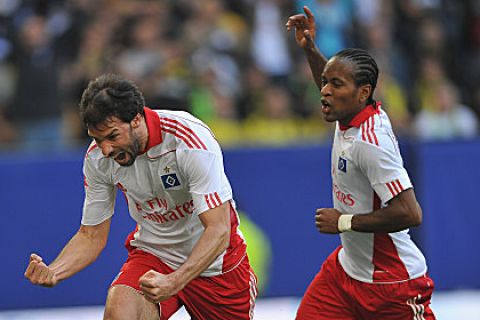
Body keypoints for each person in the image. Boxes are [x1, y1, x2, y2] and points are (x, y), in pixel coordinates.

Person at [24, 74, 257, 320]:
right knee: (120, 311)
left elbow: (218, 229)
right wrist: (53, 271)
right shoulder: (98, 159)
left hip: (215, 264)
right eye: (97, 139)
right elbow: (91, 235)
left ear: (136, 119)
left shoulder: (188, 140)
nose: (105, 149)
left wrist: (175, 280)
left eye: (113, 136)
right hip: (155, 255)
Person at [286, 7, 435, 319]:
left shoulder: (371, 143)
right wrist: (311, 49)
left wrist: (343, 221)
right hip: (344, 275)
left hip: (392, 285)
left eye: (335, 85)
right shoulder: (349, 112)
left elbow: (411, 212)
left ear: (363, 92)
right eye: (325, 82)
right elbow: (332, 86)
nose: (324, 92)